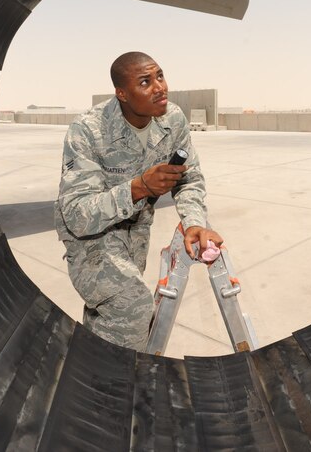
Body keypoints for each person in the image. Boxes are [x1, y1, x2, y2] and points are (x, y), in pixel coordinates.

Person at [54, 51, 224, 350]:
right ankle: (115, 391)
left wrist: (194, 222)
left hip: (135, 236)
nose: (159, 87)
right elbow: (76, 213)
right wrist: (138, 187)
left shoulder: (172, 118)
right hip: (91, 240)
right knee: (133, 310)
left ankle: (92, 373)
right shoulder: (88, 129)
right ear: (122, 93)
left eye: (160, 76)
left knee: (112, 322)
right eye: (145, 82)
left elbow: (189, 178)